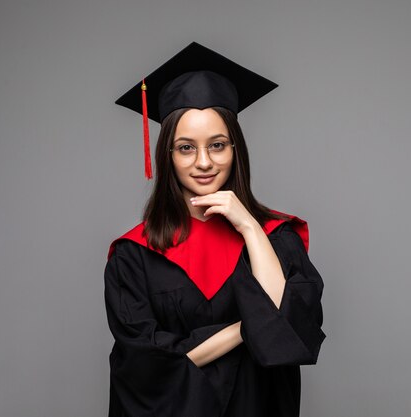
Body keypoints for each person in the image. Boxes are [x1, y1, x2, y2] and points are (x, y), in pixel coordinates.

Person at [104, 42, 326, 417]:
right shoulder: (135, 254)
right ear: (168, 156)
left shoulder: (277, 237)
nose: (203, 162)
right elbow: (146, 363)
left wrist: (249, 227)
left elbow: (289, 335)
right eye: (186, 148)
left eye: (218, 145)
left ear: (235, 149)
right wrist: (248, 328)